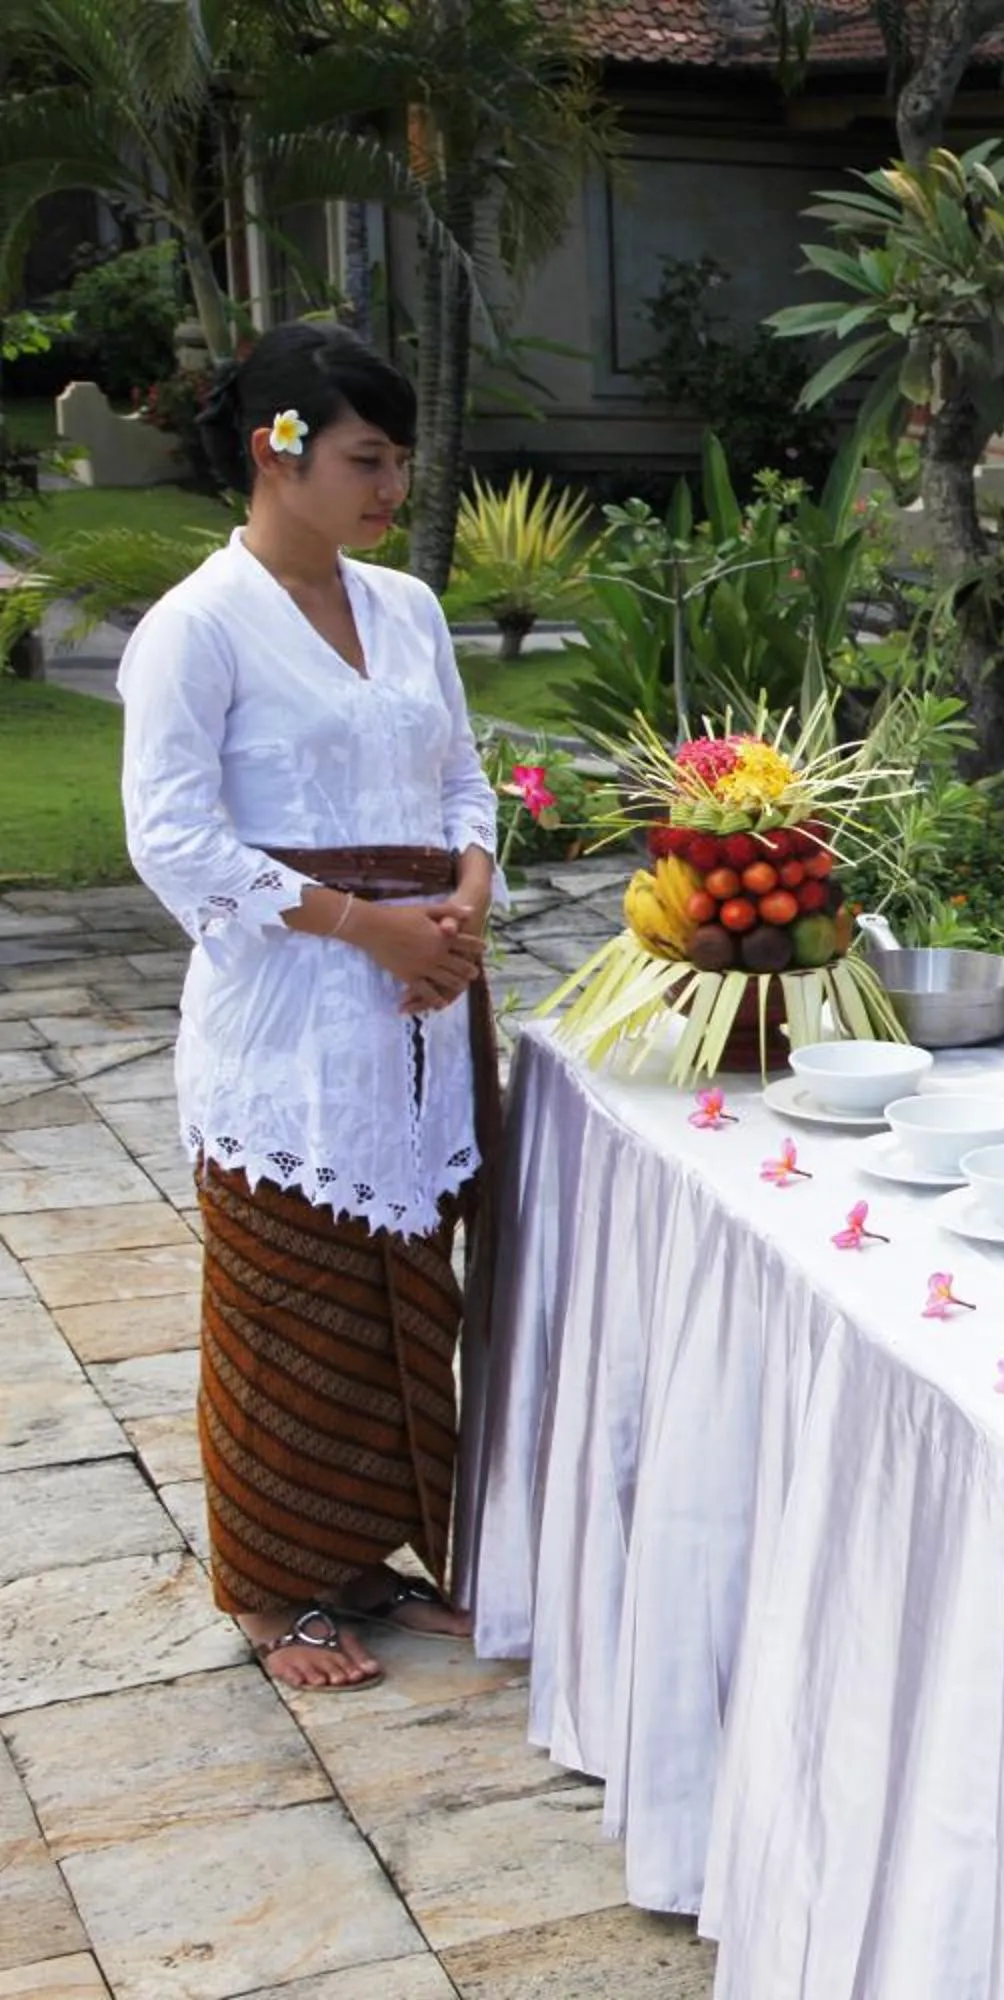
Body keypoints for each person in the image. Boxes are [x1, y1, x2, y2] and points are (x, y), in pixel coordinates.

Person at [119, 322, 499, 1688]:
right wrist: (364, 923)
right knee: (290, 1304)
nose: (390, 488)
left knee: (409, 1296)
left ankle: (378, 1558)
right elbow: (173, 838)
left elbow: (464, 780)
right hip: (290, 1011)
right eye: (366, 459)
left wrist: (462, 900)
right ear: (282, 450)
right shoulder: (196, 627)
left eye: (397, 461)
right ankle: (279, 1589)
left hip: (420, 1003)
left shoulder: (410, 609)